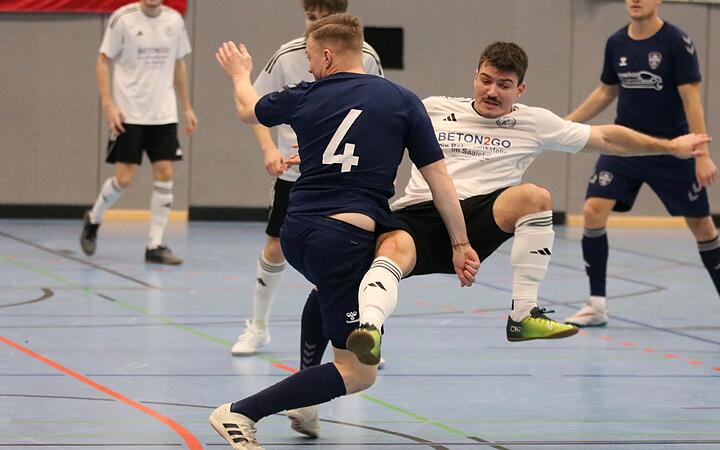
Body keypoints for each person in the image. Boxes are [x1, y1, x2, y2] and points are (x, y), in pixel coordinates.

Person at [284, 41, 712, 439]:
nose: (492, 91)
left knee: (535, 197)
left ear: (519, 88)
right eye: (486, 80)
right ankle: (363, 335)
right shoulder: (433, 109)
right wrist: (319, 154)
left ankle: (522, 315)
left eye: (504, 85)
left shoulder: (534, 122)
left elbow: (605, 136)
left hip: (482, 218)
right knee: (338, 281)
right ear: (475, 76)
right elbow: (371, 133)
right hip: (417, 214)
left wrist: (671, 146)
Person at [209, 14, 478, 450]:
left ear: (328, 55)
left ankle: (305, 400)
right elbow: (439, 180)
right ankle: (240, 413)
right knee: (358, 373)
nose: (312, 67)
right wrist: (461, 243)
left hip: (298, 231)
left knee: (333, 286)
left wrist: (240, 74)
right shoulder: (403, 100)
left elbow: (247, 109)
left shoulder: (305, 94)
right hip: (342, 238)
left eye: (313, 58)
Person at [563, 0, 720, 330]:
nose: (635, 0)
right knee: (592, 210)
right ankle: (596, 304)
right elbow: (606, 91)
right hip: (626, 146)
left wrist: (701, 155)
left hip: (673, 149)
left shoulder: (676, 41)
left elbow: (692, 100)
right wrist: (566, 124)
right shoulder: (616, 42)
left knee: (702, 226)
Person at [230, 0, 384, 358]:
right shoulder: (288, 55)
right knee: (276, 246)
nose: (313, 25)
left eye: (323, 18)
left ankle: (360, 333)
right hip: (298, 176)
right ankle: (258, 327)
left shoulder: (366, 57)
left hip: (347, 176)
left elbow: (376, 109)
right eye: (309, 18)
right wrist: (269, 149)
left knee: (355, 255)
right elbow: (254, 106)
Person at [79, 0, 197, 265]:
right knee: (124, 179)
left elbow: (179, 64)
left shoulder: (174, 21)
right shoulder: (123, 19)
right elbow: (102, 61)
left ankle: (155, 245)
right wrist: (109, 106)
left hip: (163, 113)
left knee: (165, 173)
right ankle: (94, 218)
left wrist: (187, 106)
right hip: (129, 113)